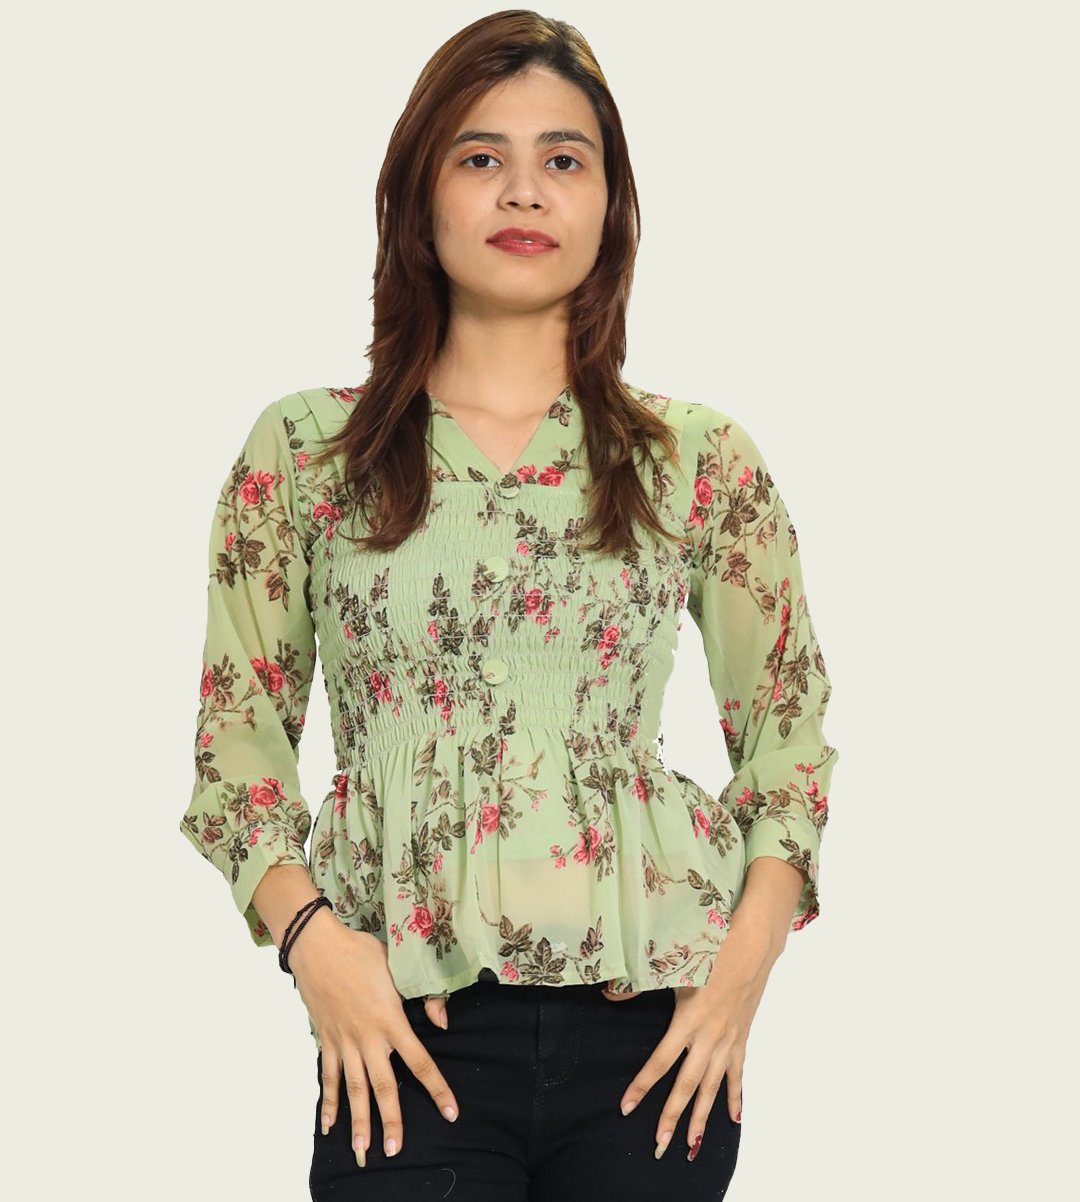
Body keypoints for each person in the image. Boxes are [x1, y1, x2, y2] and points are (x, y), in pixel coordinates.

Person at [179, 10, 839, 1200]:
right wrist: (314, 945)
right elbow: (239, 745)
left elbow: (786, 738)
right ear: (418, 197)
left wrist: (743, 971)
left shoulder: (697, 458)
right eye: (481, 156)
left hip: (654, 1040)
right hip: (402, 1037)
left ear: (610, 206)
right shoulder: (308, 452)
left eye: (564, 159)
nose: (524, 190)